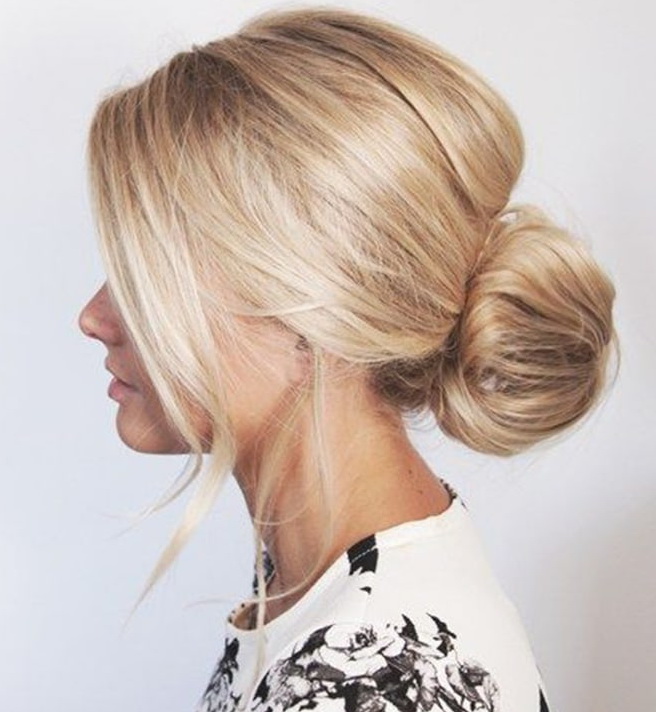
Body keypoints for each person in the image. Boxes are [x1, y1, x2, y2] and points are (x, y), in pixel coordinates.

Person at [78, 7, 616, 712]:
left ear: (308, 303)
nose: (94, 317)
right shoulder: (338, 594)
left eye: (147, 275)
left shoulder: (372, 683)